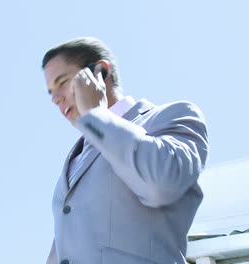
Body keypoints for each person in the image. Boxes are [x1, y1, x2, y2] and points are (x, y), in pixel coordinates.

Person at [42, 37, 209, 264]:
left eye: (62, 82)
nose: (55, 99)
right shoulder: (74, 161)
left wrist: (97, 116)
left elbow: (161, 184)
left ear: (100, 72)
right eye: (50, 91)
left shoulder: (173, 117)